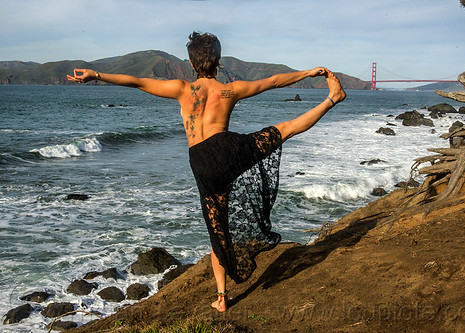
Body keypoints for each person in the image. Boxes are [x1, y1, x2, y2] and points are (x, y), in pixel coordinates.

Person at [67, 31, 346, 312]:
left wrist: (97, 75)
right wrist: (309, 72)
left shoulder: (181, 89)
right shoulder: (230, 90)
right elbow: (273, 82)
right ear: (218, 61)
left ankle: (222, 298)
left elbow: (136, 82)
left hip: (202, 163)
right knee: (285, 130)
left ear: (191, 63)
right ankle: (331, 99)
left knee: (218, 229)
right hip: (230, 150)